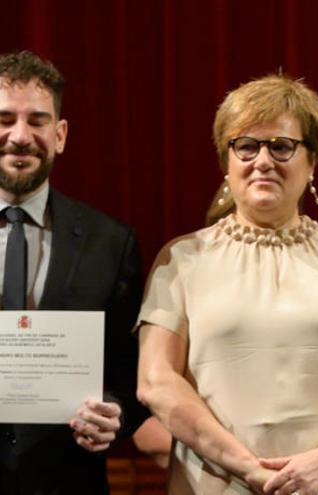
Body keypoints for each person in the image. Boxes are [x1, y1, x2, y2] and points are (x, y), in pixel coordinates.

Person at [136, 74, 318, 495]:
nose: (263, 161)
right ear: (227, 161)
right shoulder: (180, 259)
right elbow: (156, 381)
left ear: (311, 161)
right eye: (246, 146)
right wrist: (250, 469)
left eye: (281, 146)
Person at [0, 51, 146, 493]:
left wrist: (113, 416)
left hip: (66, 481)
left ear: (60, 134)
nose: (20, 136)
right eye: (5, 118)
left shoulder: (110, 242)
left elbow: (130, 372)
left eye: (38, 121)